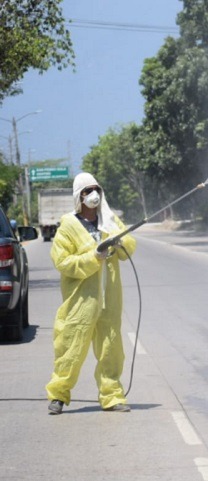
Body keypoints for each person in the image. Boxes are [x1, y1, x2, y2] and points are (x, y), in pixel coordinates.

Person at [45, 173, 137, 415]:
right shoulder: (68, 226)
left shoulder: (109, 221)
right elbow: (63, 262)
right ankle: (58, 395)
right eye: (87, 191)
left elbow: (130, 246)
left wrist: (120, 244)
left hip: (110, 298)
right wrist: (93, 257)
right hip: (81, 300)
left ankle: (112, 396)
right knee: (70, 347)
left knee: (111, 348)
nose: (93, 195)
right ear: (79, 196)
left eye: (96, 189)